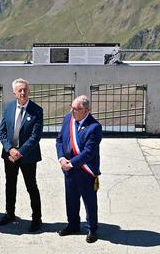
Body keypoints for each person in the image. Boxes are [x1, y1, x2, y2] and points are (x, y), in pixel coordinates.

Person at [0, 78, 43, 231]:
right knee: (10, 185)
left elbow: (35, 137)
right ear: (14, 93)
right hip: (9, 154)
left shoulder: (37, 110)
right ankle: (9, 213)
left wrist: (19, 152)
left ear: (28, 91)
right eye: (20, 90)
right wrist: (10, 149)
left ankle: (37, 218)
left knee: (31, 186)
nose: (23, 93)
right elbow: (2, 132)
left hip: (28, 156)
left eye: (25, 89)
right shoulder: (8, 107)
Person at [56, 95, 103, 244]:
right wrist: (62, 158)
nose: (72, 111)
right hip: (68, 169)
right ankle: (73, 225)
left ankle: (92, 229)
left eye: (76, 109)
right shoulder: (68, 119)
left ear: (85, 110)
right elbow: (59, 140)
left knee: (89, 201)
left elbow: (89, 152)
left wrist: (71, 163)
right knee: (71, 199)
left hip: (85, 170)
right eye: (72, 108)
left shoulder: (94, 127)